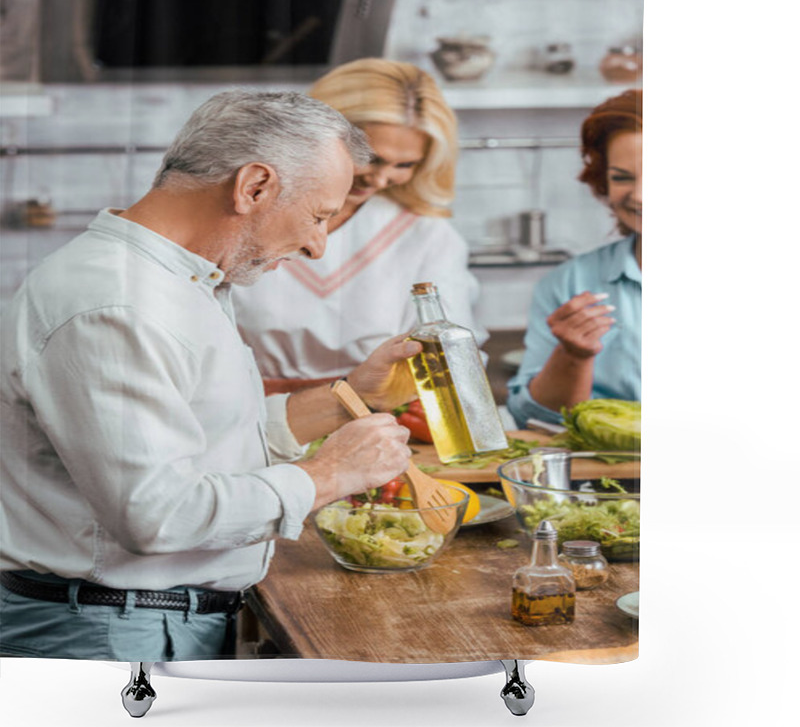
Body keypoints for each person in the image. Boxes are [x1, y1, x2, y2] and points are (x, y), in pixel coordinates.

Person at [0, 90, 421, 662]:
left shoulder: (176, 282)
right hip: (106, 634)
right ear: (254, 187)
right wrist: (328, 474)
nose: (318, 245)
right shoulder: (118, 304)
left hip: (133, 624)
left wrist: (348, 396)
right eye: (320, 215)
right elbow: (158, 513)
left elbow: (208, 436)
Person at [233, 58, 486, 394]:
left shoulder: (425, 235)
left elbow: (451, 359)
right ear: (318, 135)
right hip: (244, 414)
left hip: (381, 419)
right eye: (371, 158)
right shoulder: (243, 213)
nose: (381, 178)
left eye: (405, 164)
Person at [506, 89, 642, 427]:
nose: (639, 196)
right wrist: (573, 356)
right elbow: (535, 419)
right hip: (612, 477)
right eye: (621, 177)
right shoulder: (572, 282)